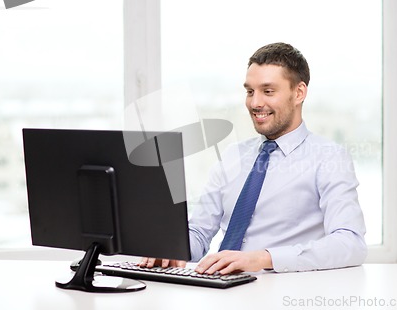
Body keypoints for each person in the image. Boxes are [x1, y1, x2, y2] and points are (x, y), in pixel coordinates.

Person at [140, 42, 367, 274]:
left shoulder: (328, 158)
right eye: (250, 91)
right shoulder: (233, 155)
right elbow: (199, 232)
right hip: (221, 289)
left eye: (268, 91)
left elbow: (350, 243)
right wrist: (171, 250)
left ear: (298, 93)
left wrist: (263, 258)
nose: (255, 103)